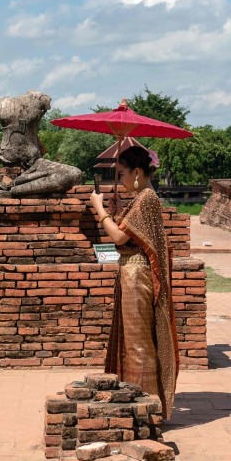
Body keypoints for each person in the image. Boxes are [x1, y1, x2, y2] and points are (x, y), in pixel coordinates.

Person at [89, 145, 179, 419]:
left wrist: (99, 209)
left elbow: (118, 238)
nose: (121, 180)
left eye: (122, 173)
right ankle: (135, 400)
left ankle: (145, 408)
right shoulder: (140, 199)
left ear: (137, 172)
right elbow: (128, 234)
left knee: (139, 344)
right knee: (132, 341)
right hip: (131, 274)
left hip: (138, 276)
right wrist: (116, 211)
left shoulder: (146, 199)